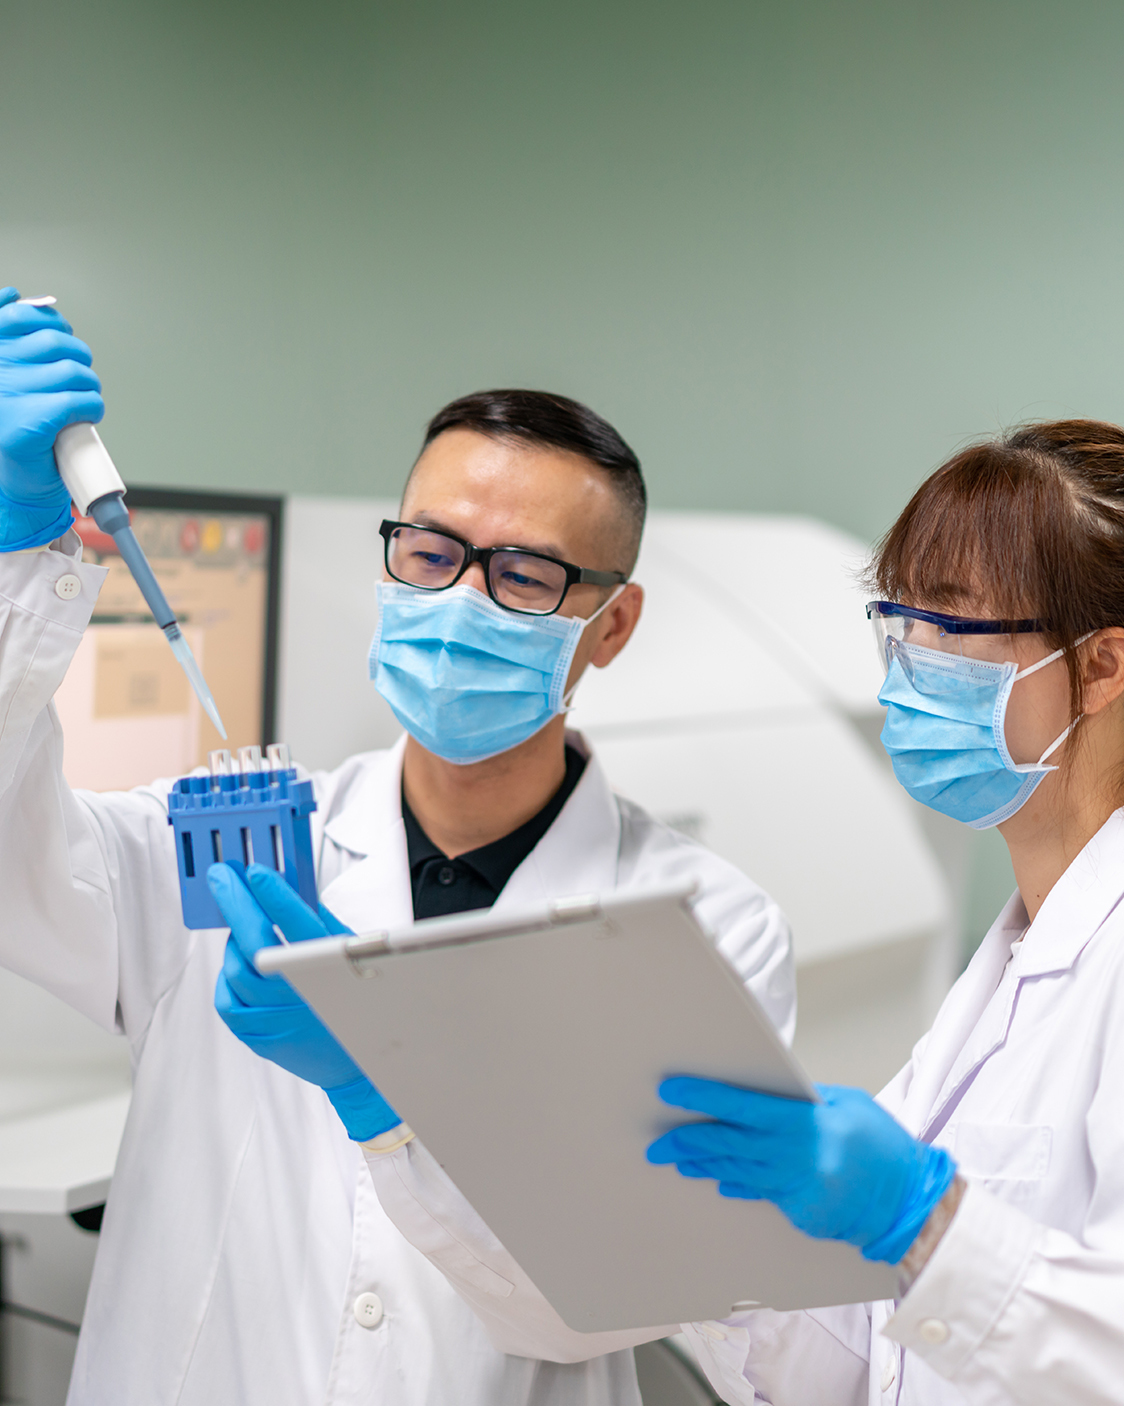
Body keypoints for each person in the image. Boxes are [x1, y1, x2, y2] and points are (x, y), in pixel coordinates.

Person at [0, 285, 795, 1406]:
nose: (459, 599)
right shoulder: (223, 846)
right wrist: (13, 566)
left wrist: (382, 1086)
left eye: (522, 575)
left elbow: (615, 1298)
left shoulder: (705, 928)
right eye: (429, 552)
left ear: (609, 625)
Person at [648, 418, 1124, 1405]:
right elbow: (869, 1358)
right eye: (896, 621)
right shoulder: (1004, 967)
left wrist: (922, 1220)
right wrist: (721, 1243)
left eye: (948, 627)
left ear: (1102, 665)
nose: (904, 666)